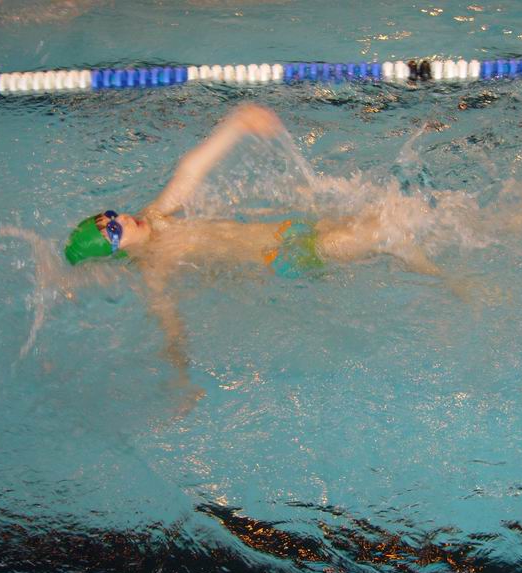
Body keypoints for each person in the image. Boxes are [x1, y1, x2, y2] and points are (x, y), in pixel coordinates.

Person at [63, 104, 467, 387]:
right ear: (116, 251)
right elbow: (170, 326)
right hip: (288, 257)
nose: (119, 220)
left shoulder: (156, 216)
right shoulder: (154, 266)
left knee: (388, 220)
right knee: (380, 232)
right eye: (112, 231)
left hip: (291, 230)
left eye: (110, 215)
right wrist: (180, 378)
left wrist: (236, 124)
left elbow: (190, 172)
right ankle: (448, 279)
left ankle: (452, 247)